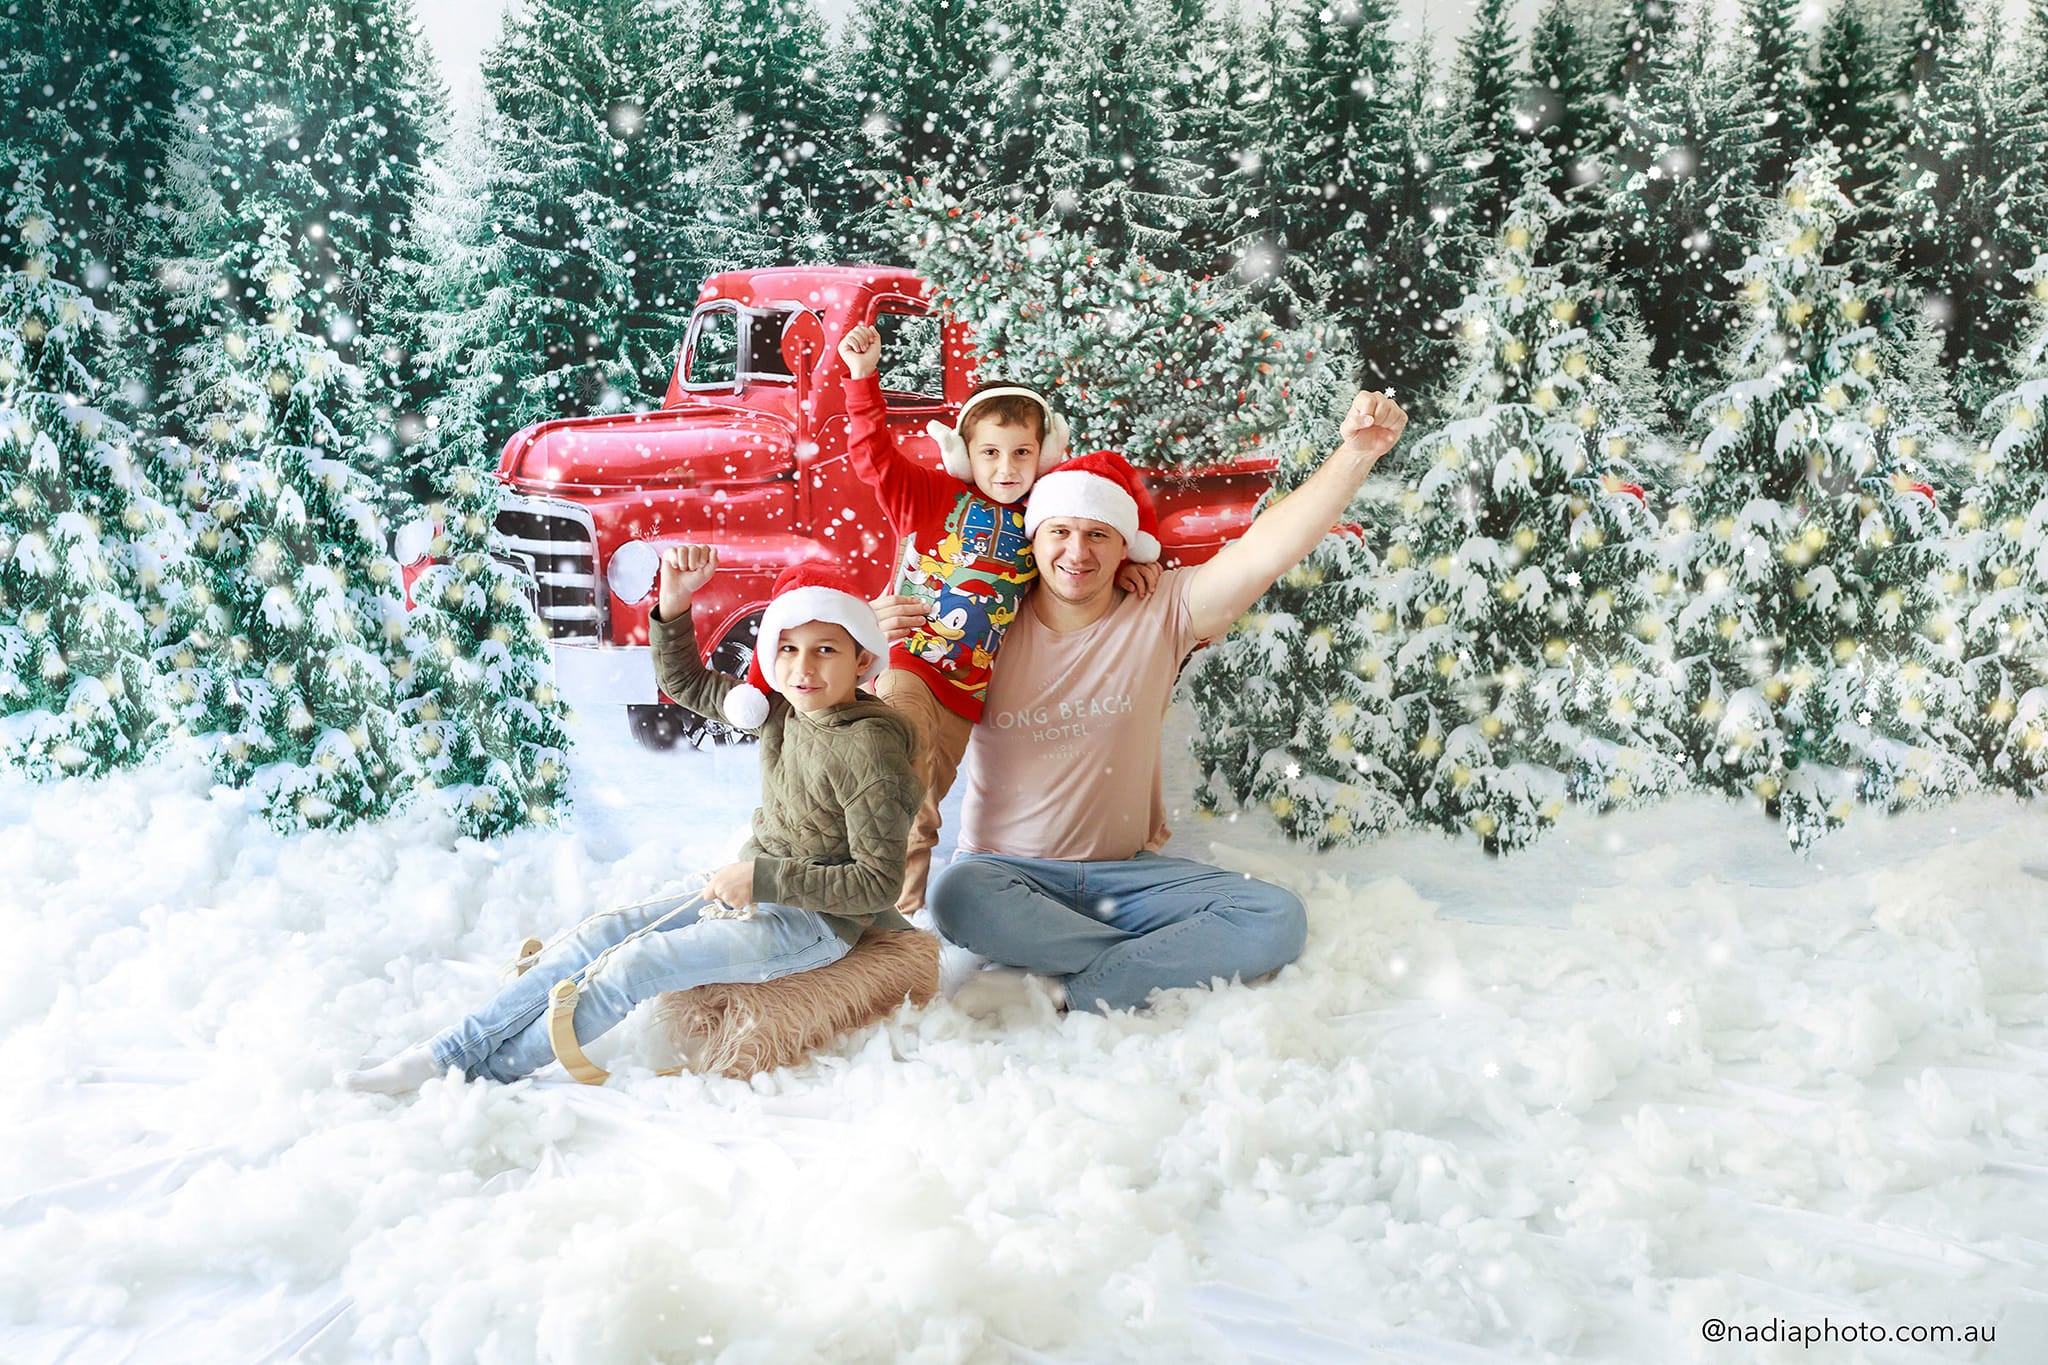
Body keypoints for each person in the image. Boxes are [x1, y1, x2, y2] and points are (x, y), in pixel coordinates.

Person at [344, 548, 922, 1091]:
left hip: (813, 922)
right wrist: (675, 600)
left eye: (826, 650)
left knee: (637, 964)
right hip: (756, 883)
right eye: (788, 649)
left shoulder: (869, 751)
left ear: (862, 659)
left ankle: (481, 1074)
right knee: (603, 933)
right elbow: (684, 683)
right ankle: (445, 1053)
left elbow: (877, 884)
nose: (803, 668)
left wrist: (763, 879)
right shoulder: (781, 709)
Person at [914, 389, 1409, 1014]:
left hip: (1128, 880)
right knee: (955, 897)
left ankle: (1067, 982)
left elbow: (1267, 549)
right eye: (1060, 532)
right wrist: (875, 633)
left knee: (1274, 916)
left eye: (1098, 534)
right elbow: (865, 694)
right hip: (1004, 875)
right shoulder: (983, 619)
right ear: (1034, 539)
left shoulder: (1164, 607)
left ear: (1126, 545)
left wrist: (1357, 454)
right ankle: (1141, 962)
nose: (1077, 553)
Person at [835, 323, 1155, 914]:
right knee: (903, 777)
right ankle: (872, 902)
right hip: (911, 663)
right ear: (964, 453)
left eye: (1022, 453)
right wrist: (862, 379)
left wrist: (1132, 559)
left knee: (923, 804)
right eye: (989, 452)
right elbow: (872, 457)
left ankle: (894, 914)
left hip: (968, 691)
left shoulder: (1046, 514)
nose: (1006, 467)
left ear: (1044, 455)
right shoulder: (929, 495)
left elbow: (1100, 510)